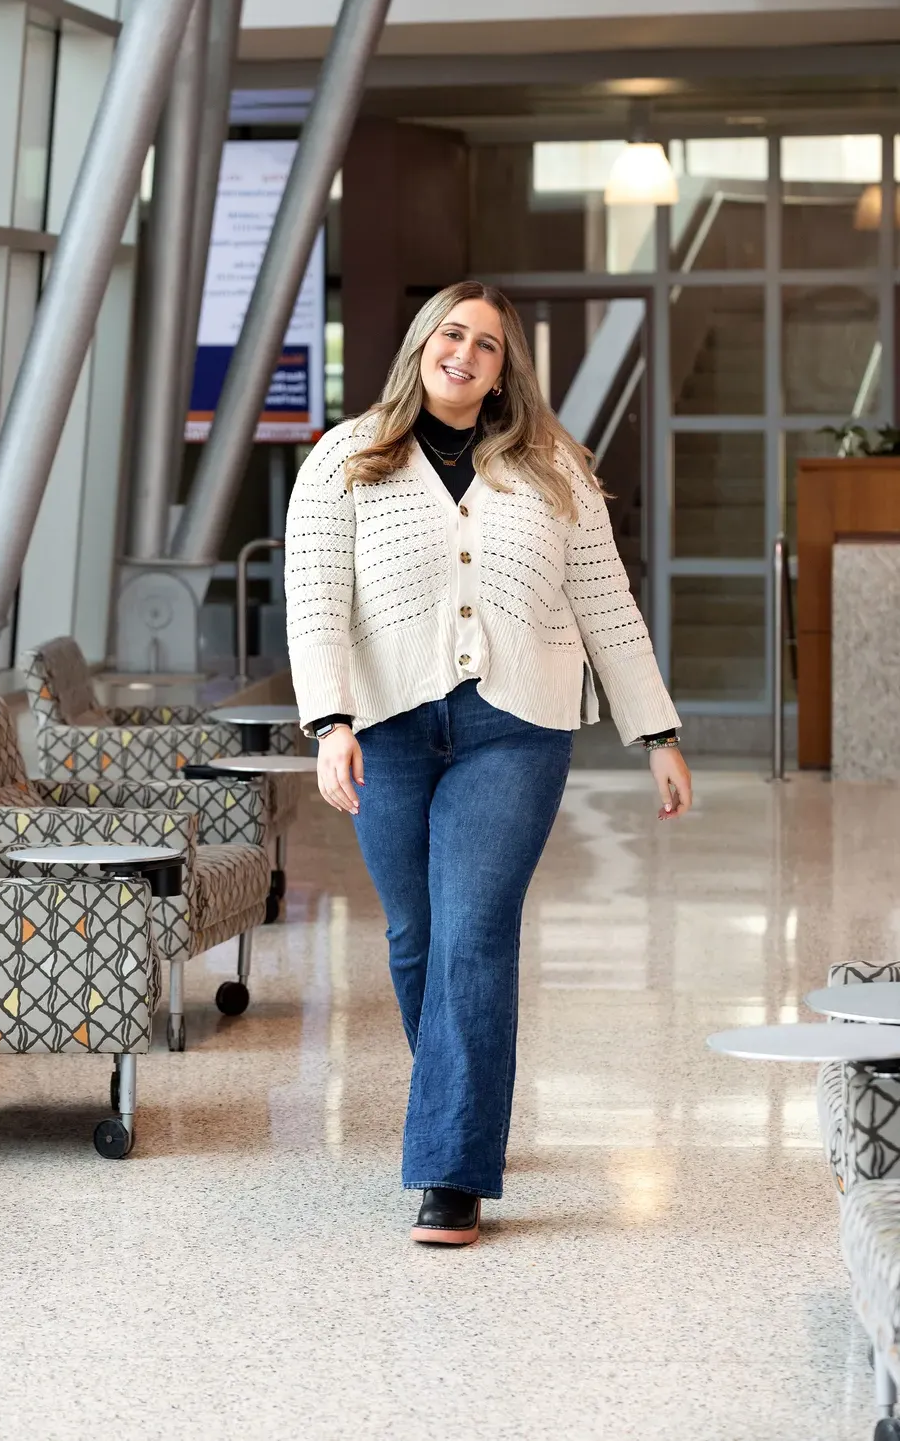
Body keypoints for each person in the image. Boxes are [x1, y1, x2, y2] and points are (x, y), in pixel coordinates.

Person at [283, 281, 691, 1247]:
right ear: (423, 343)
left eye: (488, 345)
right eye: (451, 334)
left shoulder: (554, 467)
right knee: (415, 937)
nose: (465, 353)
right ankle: (462, 1108)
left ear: (508, 369)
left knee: (472, 930)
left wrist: (657, 734)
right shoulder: (346, 457)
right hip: (385, 725)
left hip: (516, 728)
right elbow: (314, 597)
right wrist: (328, 721)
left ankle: (452, 1170)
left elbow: (606, 603)